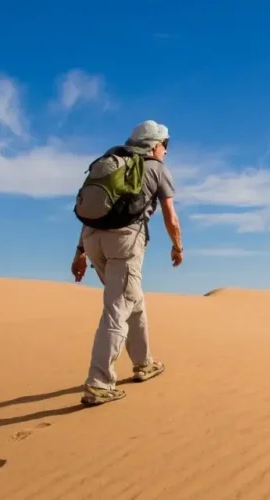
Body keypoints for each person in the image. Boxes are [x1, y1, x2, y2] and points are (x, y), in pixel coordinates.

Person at [70, 119, 184, 406]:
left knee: (133, 301)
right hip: (124, 242)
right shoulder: (156, 169)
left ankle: (143, 363)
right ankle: (99, 383)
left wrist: (80, 251)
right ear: (155, 145)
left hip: (94, 239)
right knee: (117, 309)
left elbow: (94, 213)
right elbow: (171, 216)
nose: (166, 151)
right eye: (165, 145)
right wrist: (178, 246)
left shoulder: (113, 162)